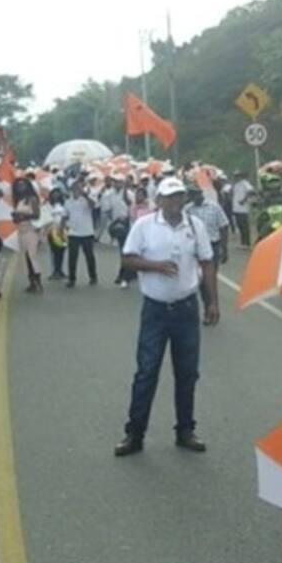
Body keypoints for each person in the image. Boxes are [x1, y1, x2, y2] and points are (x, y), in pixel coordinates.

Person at [115, 177, 218, 456]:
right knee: (147, 372)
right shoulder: (144, 226)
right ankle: (135, 434)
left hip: (186, 309)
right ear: (158, 200)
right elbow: (127, 259)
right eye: (170, 197)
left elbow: (207, 263)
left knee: (187, 374)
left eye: (179, 197)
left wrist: (212, 302)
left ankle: (185, 430)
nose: (175, 202)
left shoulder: (195, 227)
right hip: (155, 310)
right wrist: (154, 266)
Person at [185, 185, 230, 273]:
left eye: (196, 194)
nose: (194, 196)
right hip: (194, 247)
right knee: (196, 274)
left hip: (212, 245)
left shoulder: (214, 207)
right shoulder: (187, 209)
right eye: (191, 194)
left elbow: (223, 226)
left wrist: (224, 248)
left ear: (201, 193)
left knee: (211, 273)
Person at [64, 178, 97, 287]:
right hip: (73, 233)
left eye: (79, 188)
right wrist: (62, 226)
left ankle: (93, 276)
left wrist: (85, 195)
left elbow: (93, 205)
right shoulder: (68, 201)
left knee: (89, 256)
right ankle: (71, 279)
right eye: (75, 188)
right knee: (72, 257)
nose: (77, 190)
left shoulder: (86, 200)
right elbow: (65, 215)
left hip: (87, 232)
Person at [12, 177, 43, 293]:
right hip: (21, 230)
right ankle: (32, 282)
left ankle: (38, 282)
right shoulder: (19, 200)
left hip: (31, 231)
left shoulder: (32, 199)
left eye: (23, 185)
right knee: (26, 258)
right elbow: (17, 218)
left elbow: (37, 215)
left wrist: (22, 216)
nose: (20, 187)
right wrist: (15, 217)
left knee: (32, 256)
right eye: (18, 185)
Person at [46, 188, 68, 281]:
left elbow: (66, 217)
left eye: (57, 194)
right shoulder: (48, 206)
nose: (56, 196)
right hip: (52, 231)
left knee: (61, 251)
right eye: (54, 194)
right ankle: (55, 271)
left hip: (62, 231)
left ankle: (60, 270)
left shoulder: (65, 205)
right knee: (54, 252)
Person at [231, 171, 256, 248]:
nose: (235, 178)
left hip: (243, 209)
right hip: (236, 208)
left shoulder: (244, 183)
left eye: (237, 176)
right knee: (240, 226)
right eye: (235, 176)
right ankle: (243, 242)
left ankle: (247, 243)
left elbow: (251, 191)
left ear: (240, 176)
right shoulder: (236, 185)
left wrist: (244, 200)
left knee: (244, 225)